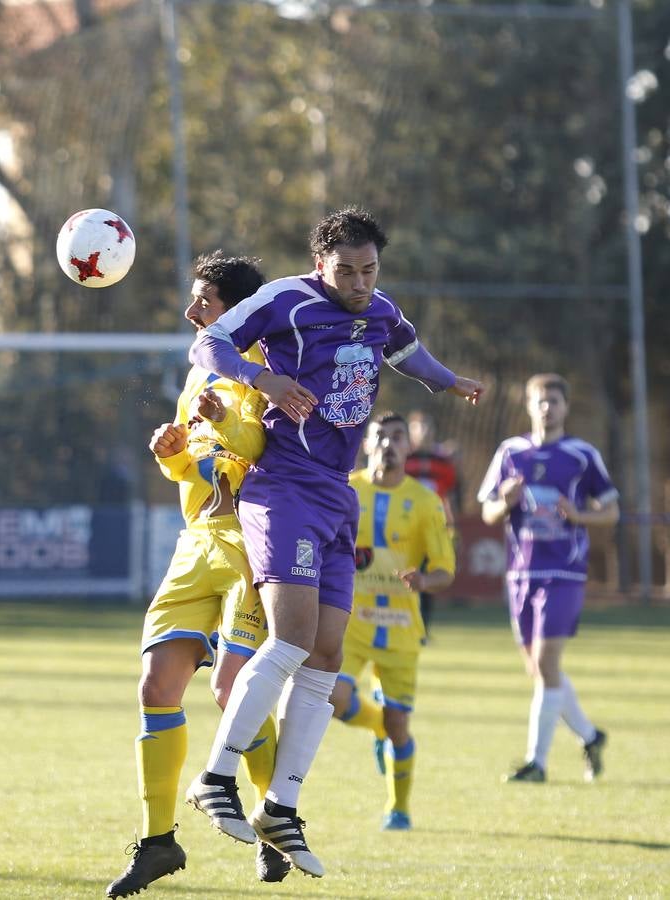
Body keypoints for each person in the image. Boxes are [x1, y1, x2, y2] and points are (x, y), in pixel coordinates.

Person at [184, 206, 483, 878]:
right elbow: (209, 346)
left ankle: (281, 807)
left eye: (368, 269)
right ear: (320, 264)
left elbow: (407, 351)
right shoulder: (284, 299)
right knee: (291, 639)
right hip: (284, 488)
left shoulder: (379, 309)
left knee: (324, 654)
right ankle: (215, 777)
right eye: (345, 270)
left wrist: (448, 380)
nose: (358, 282)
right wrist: (261, 377)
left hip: (335, 495)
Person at [107, 252, 292, 899]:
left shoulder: (271, 368)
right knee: (156, 685)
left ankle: (274, 822)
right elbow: (193, 468)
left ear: (236, 311)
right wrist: (173, 455)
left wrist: (227, 421)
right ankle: (159, 842)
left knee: (233, 687)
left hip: (251, 545)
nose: (191, 312)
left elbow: (266, 451)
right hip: (195, 544)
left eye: (204, 302)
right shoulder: (198, 372)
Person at [477, 372, 619, 783]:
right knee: (540, 671)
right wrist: (505, 502)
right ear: (528, 406)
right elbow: (488, 512)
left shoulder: (581, 455)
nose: (547, 408)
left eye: (554, 401)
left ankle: (536, 764)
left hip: (564, 571)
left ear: (565, 407)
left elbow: (611, 511)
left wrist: (580, 516)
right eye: (540, 400)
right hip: (521, 573)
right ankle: (590, 736)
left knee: (546, 662)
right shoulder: (510, 452)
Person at [330, 411, 455, 831]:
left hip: (401, 626)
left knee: (399, 723)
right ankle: (376, 726)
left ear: (408, 447)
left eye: (397, 437)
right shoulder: (346, 489)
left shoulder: (425, 502)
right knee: (331, 697)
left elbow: (445, 570)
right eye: (380, 436)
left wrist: (425, 580)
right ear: (366, 444)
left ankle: (398, 808)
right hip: (351, 620)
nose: (388, 444)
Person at [405, 409, 461, 629]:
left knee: (429, 576)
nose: (425, 431)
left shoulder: (443, 462)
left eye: (428, 426)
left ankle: (423, 627)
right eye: (419, 427)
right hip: (404, 526)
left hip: (434, 527)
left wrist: (453, 526)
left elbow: (450, 496)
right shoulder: (403, 458)